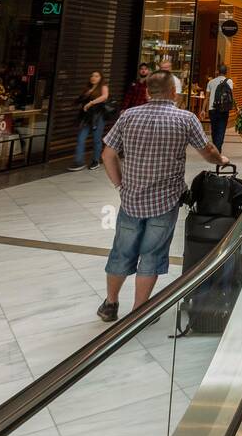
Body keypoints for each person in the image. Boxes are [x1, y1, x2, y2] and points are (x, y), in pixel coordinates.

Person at [97, 70, 229, 321]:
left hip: (131, 199)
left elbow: (107, 155)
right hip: (165, 201)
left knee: (121, 252)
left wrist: (120, 185)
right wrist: (220, 159)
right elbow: (208, 150)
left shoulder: (128, 116)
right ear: (173, 92)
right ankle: (138, 311)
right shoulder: (185, 119)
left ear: (148, 91)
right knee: (151, 255)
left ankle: (110, 304)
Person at [69, 70, 109, 172]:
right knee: (80, 138)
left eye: (96, 76)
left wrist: (91, 103)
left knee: (96, 140)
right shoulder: (88, 88)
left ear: (101, 78)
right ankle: (79, 162)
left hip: (98, 117)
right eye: (92, 76)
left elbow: (105, 97)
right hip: (86, 118)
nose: (93, 78)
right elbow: (80, 100)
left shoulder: (103, 87)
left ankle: (95, 161)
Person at [206, 63, 234, 151]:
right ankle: (218, 149)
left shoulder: (211, 82)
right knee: (221, 129)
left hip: (212, 109)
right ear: (226, 72)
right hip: (224, 109)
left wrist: (203, 109)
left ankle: (215, 148)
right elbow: (231, 95)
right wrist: (235, 107)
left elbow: (207, 97)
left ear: (218, 72)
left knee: (214, 130)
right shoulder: (229, 81)